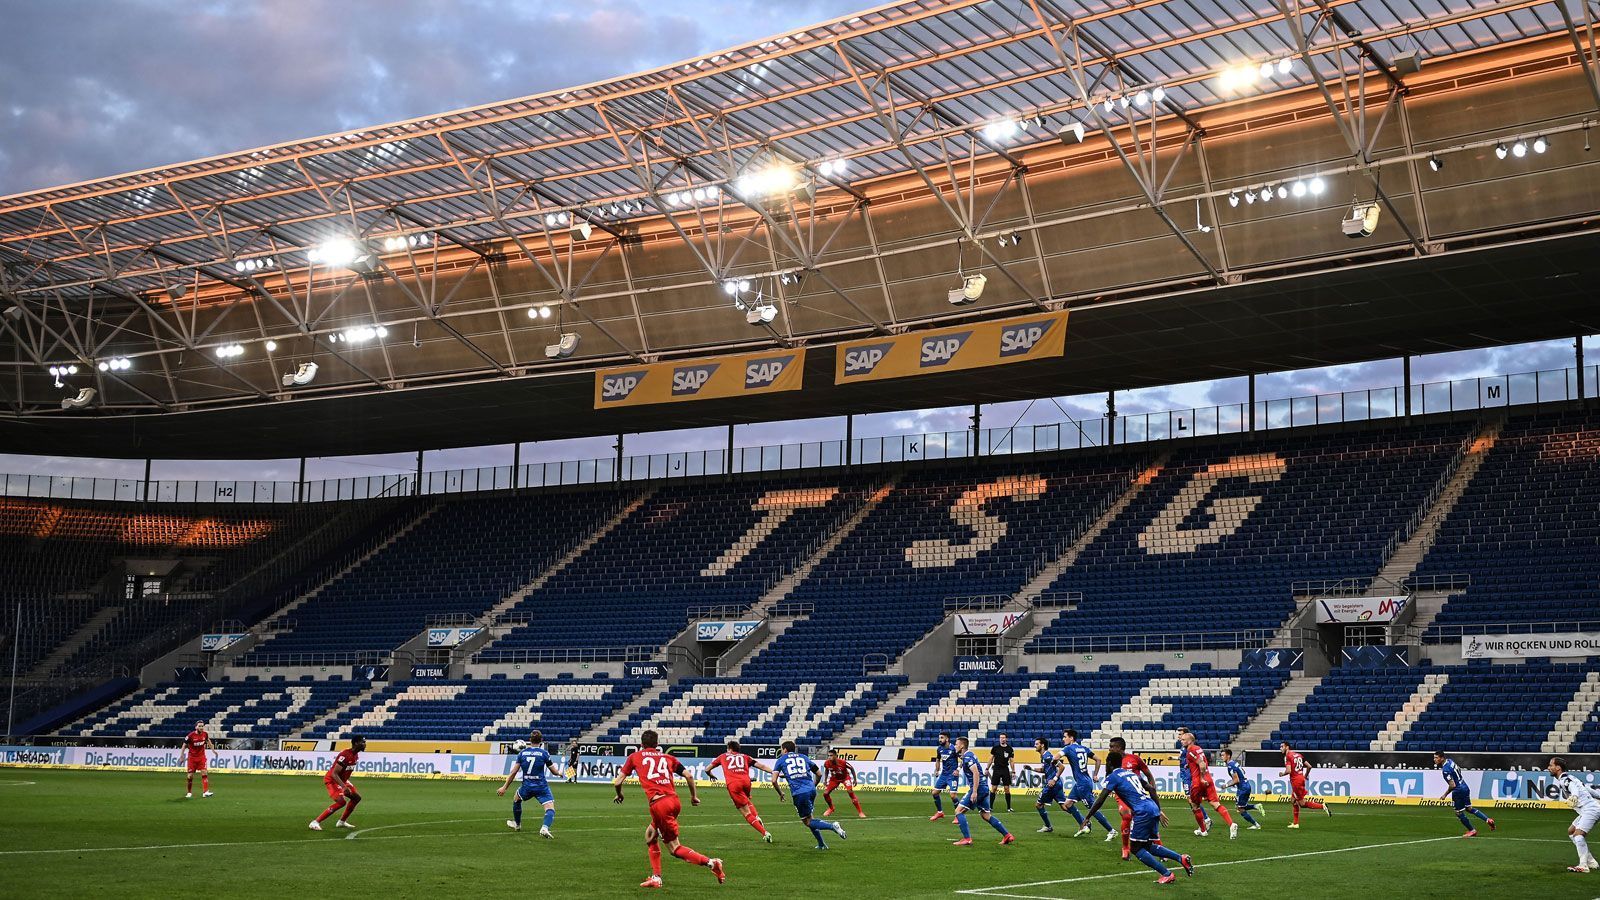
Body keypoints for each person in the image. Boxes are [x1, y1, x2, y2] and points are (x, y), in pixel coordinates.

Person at [613, 729, 725, 889]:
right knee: (650, 836)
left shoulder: (634, 756)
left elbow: (617, 782)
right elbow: (689, 776)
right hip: (673, 801)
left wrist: (620, 795)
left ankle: (712, 863)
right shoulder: (668, 757)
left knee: (674, 848)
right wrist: (694, 797)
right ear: (657, 745)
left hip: (659, 805)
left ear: (641, 745)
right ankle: (656, 877)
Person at [1085, 747, 1193, 884]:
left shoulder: (1112, 777)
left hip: (1142, 812)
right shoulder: (1131, 774)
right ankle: (1180, 858)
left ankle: (1167, 874)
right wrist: (1158, 810)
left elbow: (1100, 799)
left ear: (1110, 763)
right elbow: (1151, 789)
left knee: (1135, 848)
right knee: (1147, 846)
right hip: (1151, 807)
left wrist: (1088, 817)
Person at [773, 741, 848, 849]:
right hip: (811, 790)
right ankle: (821, 844)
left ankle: (832, 826)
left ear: (784, 750)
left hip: (799, 793)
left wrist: (780, 793)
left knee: (808, 821)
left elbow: (774, 780)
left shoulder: (781, 760)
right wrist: (813, 786)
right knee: (811, 818)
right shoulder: (804, 757)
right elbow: (819, 774)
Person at [707, 739, 782, 841]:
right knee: (746, 800)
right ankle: (756, 816)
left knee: (746, 813)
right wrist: (775, 773)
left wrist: (711, 775)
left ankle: (765, 833)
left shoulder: (723, 756)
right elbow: (762, 766)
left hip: (734, 784)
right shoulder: (745, 757)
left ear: (729, 749)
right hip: (746, 782)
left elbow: (707, 769)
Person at [951, 736, 1015, 846]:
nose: (955, 746)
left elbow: (975, 772)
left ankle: (967, 839)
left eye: (956, 744)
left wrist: (974, 791)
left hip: (979, 788)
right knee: (986, 815)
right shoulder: (968, 756)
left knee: (958, 811)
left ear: (962, 745)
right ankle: (1007, 835)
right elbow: (966, 762)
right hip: (984, 787)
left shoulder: (968, 757)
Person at [497, 729, 558, 837]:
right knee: (550, 808)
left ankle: (517, 824)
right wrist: (560, 773)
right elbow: (554, 771)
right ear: (541, 741)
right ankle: (544, 827)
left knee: (516, 799)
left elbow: (513, 772)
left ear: (530, 740)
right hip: (541, 787)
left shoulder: (522, 753)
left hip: (527, 787)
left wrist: (504, 787)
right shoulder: (544, 754)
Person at [1179, 728, 1236, 838]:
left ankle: (1203, 830)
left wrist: (1200, 778)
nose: (1181, 741)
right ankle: (1231, 824)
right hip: (1209, 779)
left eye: (1183, 739)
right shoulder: (1198, 748)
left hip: (1198, 782)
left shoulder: (1190, 751)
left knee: (1194, 805)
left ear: (1190, 740)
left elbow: (1202, 764)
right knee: (1216, 804)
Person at [1108, 736, 1157, 860]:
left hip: (1138, 794)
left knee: (1148, 816)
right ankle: (1125, 848)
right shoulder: (1113, 761)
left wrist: (1152, 790)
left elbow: (1148, 775)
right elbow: (1109, 776)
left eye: (1112, 747)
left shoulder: (1134, 759)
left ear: (1119, 748)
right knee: (1126, 815)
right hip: (1122, 795)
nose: (1110, 749)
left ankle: (1156, 846)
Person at [1061, 728, 1115, 839]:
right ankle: (1085, 825)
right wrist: (1095, 774)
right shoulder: (1084, 748)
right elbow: (1098, 759)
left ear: (1071, 738)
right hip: (1082, 782)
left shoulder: (1069, 748)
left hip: (1083, 784)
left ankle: (1111, 830)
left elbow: (1056, 757)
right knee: (1067, 804)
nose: (1063, 739)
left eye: (1065, 737)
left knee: (1093, 808)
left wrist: (1052, 761)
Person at [1549, 756, 1600, 873]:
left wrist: (1574, 796)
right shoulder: (1571, 777)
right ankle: (1591, 862)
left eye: (1551, 765)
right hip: (1589, 809)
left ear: (1558, 768)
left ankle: (1583, 866)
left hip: (1590, 809)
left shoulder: (1564, 779)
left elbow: (1573, 788)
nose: (1549, 767)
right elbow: (1587, 789)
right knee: (1571, 831)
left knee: (1578, 835)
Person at [310, 735, 366, 830]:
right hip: (332, 780)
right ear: (356, 743)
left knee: (356, 798)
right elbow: (334, 774)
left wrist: (345, 783)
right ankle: (315, 822)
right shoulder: (345, 755)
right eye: (363, 742)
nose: (365, 745)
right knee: (341, 802)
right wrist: (344, 787)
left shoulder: (355, 755)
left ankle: (341, 822)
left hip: (342, 781)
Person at [1433, 751, 1494, 837]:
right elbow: (1459, 770)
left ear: (1442, 758)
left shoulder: (1445, 770)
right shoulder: (1450, 761)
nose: (1434, 759)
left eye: (1436, 757)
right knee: (1469, 808)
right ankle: (1488, 820)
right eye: (1434, 757)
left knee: (1458, 812)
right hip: (1465, 786)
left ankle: (1472, 830)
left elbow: (1452, 785)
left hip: (1458, 790)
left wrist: (1445, 794)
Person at [1278, 741, 1331, 828]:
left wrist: (1282, 774)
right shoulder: (1298, 755)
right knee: (1293, 800)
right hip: (1300, 779)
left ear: (1287, 747)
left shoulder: (1288, 756)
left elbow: (1289, 771)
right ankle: (1295, 823)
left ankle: (1322, 806)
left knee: (1302, 804)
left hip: (1296, 782)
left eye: (1282, 746)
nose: (1280, 748)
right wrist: (1305, 776)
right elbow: (1309, 766)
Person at [1174, 739, 1212, 835]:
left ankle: (1205, 821)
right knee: (1191, 801)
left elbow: (1198, 761)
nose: (1180, 738)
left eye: (1182, 736)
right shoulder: (1183, 748)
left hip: (1188, 775)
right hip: (1184, 774)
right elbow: (1184, 759)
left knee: (1192, 800)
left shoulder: (1190, 749)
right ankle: (1204, 823)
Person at [1220, 748, 1263, 828]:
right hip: (1246, 785)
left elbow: (1236, 780)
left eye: (1223, 755)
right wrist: (1235, 782)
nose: (1221, 757)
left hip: (1242, 788)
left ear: (1228, 756)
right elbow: (1243, 772)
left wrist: (1226, 785)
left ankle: (1256, 825)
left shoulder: (1230, 766)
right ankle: (1256, 806)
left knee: (1240, 808)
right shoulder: (1234, 763)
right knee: (1241, 806)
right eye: (1221, 755)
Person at [1033, 737, 1066, 833]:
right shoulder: (1044, 756)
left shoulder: (1047, 756)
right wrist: (1031, 768)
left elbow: (1061, 767)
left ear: (1042, 745)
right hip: (1056, 784)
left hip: (1052, 785)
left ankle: (1048, 826)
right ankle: (1084, 822)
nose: (1035, 746)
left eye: (1037, 744)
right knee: (1065, 806)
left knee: (1039, 805)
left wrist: (1054, 779)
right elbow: (1044, 770)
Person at [822, 749, 866, 818]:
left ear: (836, 756)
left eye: (831, 755)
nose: (829, 757)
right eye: (828, 756)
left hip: (845, 778)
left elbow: (852, 768)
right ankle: (831, 808)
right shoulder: (826, 763)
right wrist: (825, 780)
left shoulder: (843, 762)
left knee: (850, 791)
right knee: (825, 794)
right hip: (834, 779)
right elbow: (827, 770)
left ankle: (860, 812)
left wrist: (855, 779)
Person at [930, 732, 961, 821]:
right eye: (939, 738)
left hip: (952, 775)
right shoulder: (939, 749)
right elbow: (938, 759)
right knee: (934, 793)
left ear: (947, 739)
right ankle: (940, 812)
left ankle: (958, 815)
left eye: (942, 738)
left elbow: (963, 759)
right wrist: (937, 769)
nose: (940, 739)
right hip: (944, 774)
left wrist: (958, 769)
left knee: (953, 795)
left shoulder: (954, 748)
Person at [182, 720, 214, 799]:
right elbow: (184, 745)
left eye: (202, 726)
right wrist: (181, 755)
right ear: (196, 727)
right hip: (192, 758)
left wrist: (213, 749)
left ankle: (205, 792)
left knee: (204, 772)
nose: (201, 727)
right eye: (199, 726)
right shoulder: (190, 735)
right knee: (190, 776)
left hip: (201, 757)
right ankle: (189, 792)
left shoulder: (205, 734)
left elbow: (208, 741)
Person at [989, 733, 1016, 813]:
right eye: (1001, 738)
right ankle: (990, 807)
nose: (1002, 739)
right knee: (994, 788)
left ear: (1006, 739)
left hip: (1005, 769)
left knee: (1007, 789)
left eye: (1003, 738)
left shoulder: (1010, 749)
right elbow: (991, 759)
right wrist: (987, 768)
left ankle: (1009, 807)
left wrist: (1013, 771)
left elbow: (1011, 761)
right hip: (996, 769)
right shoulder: (995, 748)